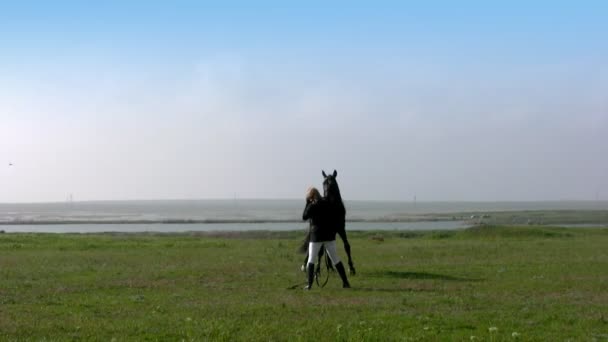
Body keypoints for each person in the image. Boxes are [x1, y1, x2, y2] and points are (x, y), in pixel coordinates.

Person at [302, 187, 350, 290]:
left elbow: (304, 217)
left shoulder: (312, 206)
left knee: (311, 260)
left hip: (316, 237)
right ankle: (345, 282)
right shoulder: (328, 203)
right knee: (336, 259)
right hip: (329, 236)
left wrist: (307, 203)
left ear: (311, 197)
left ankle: (309, 285)